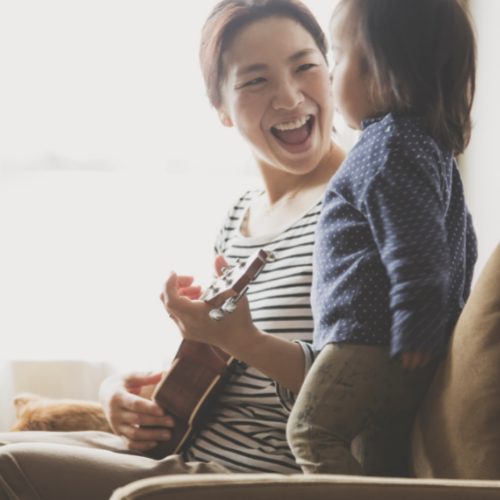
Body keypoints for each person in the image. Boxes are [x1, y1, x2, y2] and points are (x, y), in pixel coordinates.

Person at [0, 1, 346, 498]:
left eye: (305, 66)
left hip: (256, 477)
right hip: (184, 451)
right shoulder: (240, 216)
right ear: (222, 110)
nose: (290, 97)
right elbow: (221, 373)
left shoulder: (355, 203)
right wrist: (122, 395)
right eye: (255, 80)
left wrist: (243, 340)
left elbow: (360, 387)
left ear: (331, 72)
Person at [286, 0, 478, 477]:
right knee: (380, 456)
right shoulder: (426, 149)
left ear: (382, 72)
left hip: (370, 336)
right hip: (391, 338)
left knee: (311, 433)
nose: (329, 75)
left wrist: (417, 323)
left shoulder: (387, 146)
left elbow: (418, 247)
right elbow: (463, 244)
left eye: (340, 56)